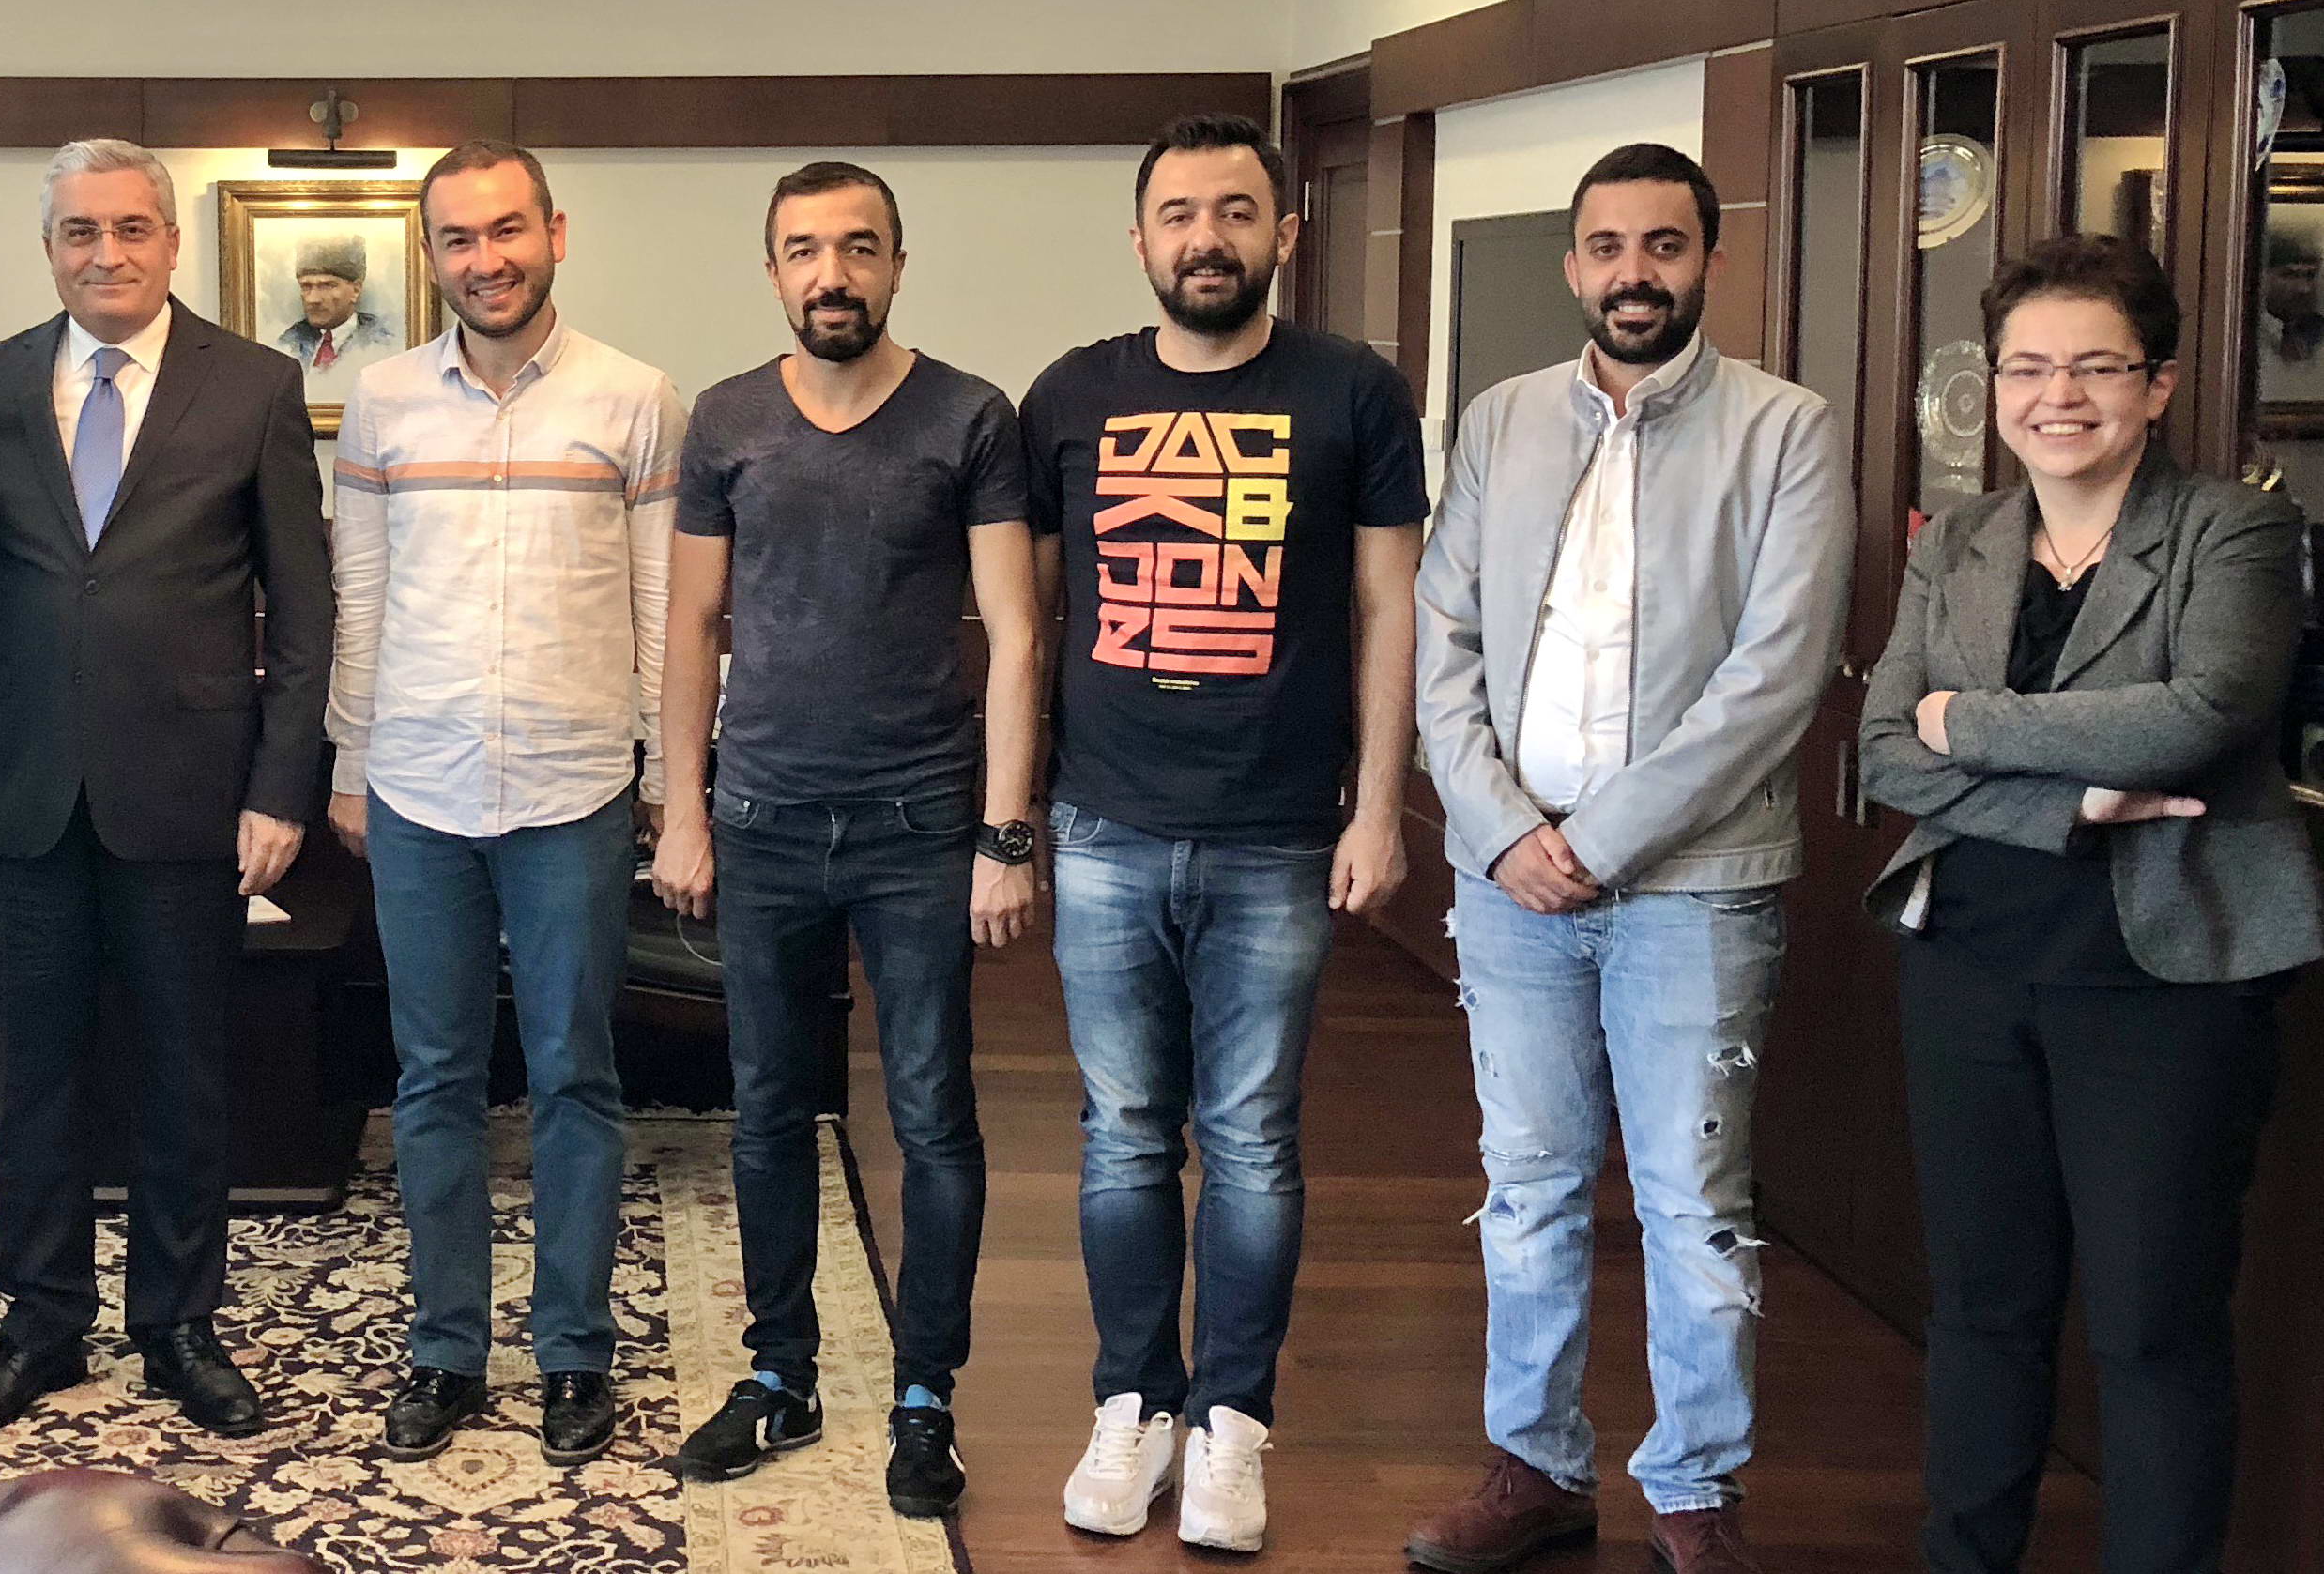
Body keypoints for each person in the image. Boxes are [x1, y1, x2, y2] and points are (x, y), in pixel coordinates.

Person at [1406, 143, 1850, 1574]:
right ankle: (1533, 1463)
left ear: (1710, 259)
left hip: (1695, 887)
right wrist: (1500, 831)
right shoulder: (1502, 419)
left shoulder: (1786, 429)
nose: (1633, 272)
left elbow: (1775, 676)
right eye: (1607, 246)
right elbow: (1443, 640)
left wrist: (1593, 842)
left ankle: (1696, 1487)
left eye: (1664, 244)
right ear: (1573, 264)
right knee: (1526, 1182)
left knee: (1694, 1201)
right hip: (1509, 883)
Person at [1858, 233, 2321, 1574]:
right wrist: (2067, 802)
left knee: (2151, 1326)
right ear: (1995, 382)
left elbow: (2200, 712)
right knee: (1982, 1310)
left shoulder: (2234, 528)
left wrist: (1966, 720)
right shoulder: (1959, 539)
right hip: (1967, 961)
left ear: (2157, 384)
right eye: (2027, 366)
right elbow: (1882, 747)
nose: (2057, 395)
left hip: (2166, 978)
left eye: (2097, 367)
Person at [1017, 112, 1426, 1553]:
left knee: (1251, 1137)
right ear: (1141, 239)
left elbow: (1390, 607)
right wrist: (1014, 818)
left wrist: (1379, 805)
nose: (1208, 239)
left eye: (1237, 212)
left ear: (1284, 233)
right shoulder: (1070, 395)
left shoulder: (1354, 391)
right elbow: (1028, 620)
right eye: (1181, 214)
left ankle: (1233, 1422)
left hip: (1276, 832)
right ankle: (1132, 1400)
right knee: (1125, 1133)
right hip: (1106, 823)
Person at [0, 138, 333, 1442]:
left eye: (131, 228)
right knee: (33, 1072)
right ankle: (39, 1320)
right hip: (25, 788)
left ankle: (179, 1322)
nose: (107, 253)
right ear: (50, 247)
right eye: (80, 231)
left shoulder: (255, 384)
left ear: (170, 240)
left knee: (184, 1070)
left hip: (192, 791)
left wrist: (281, 785)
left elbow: (305, 609)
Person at [650, 160, 1039, 1520]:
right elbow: (692, 624)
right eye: (807, 250)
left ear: (896, 265)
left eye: (859, 247)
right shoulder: (727, 418)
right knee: (766, 1110)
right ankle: (782, 1372)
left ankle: (926, 1393)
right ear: (774, 270)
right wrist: (682, 806)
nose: (833, 273)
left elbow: (1018, 632)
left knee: (931, 1111)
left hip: (920, 822)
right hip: (760, 818)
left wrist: (1005, 831)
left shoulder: (970, 416)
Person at [329, 140, 679, 1469]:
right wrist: (350, 763)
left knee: (575, 1072)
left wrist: (667, 777)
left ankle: (575, 1352)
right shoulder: (381, 403)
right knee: (432, 1080)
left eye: (508, 230)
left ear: (555, 231)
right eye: (459, 238)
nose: (487, 259)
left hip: (573, 783)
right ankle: (448, 1350)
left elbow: (663, 604)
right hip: (417, 786)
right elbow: (361, 591)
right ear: (432, 254)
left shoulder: (636, 396)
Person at [272, 234, 400, 400]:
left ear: (356, 290)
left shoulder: (383, 340)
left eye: (327, 286)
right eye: (306, 286)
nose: (313, 299)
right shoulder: (289, 342)